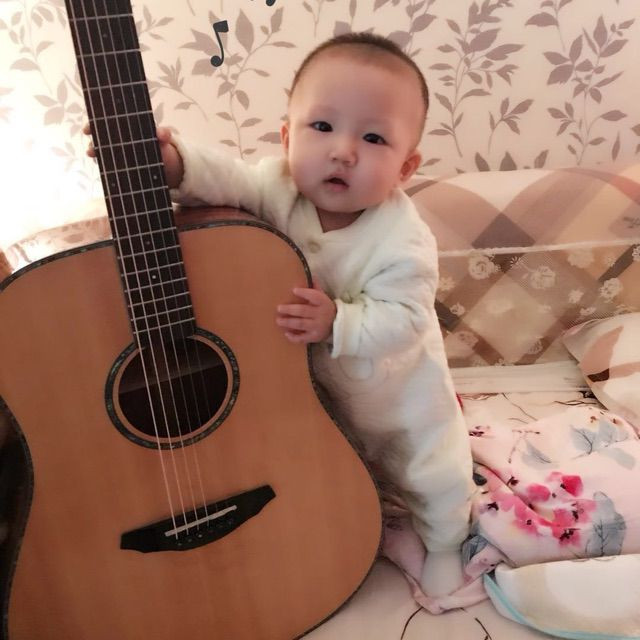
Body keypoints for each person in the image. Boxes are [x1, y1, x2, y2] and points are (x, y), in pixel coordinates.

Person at [87, 31, 474, 598]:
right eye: (323, 126)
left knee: (430, 472)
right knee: (315, 463)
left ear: (405, 167)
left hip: (397, 400)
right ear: (288, 136)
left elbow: (408, 321)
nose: (343, 151)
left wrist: (338, 322)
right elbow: (228, 177)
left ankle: (444, 541)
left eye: (373, 138)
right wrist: (172, 164)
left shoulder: (403, 239)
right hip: (309, 397)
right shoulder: (277, 187)